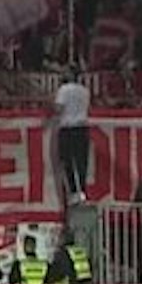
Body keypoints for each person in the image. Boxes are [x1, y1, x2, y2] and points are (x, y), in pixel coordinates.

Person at [51, 68, 93, 204]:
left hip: (68, 128)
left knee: (67, 161)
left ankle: (73, 191)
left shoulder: (64, 90)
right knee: (81, 162)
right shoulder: (85, 91)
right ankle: (82, 191)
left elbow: (58, 108)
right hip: (82, 128)